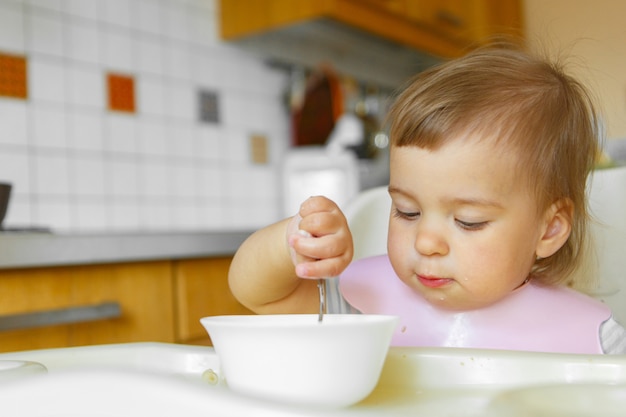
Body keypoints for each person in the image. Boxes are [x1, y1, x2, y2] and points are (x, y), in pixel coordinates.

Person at [228, 44, 626, 354]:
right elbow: (258, 294)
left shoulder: (593, 338)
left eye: (468, 220)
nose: (425, 242)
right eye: (407, 211)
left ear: (550, 228)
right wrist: (294, 241)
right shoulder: (364, 304)